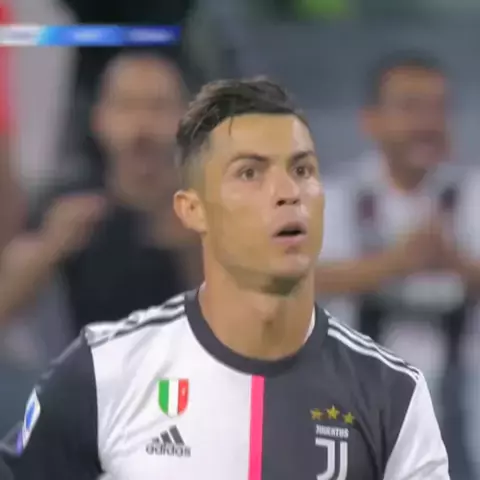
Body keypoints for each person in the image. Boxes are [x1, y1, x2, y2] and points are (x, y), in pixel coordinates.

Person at [0, 77, 449, 479]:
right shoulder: (99, 369)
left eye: (301, 170)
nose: (284, 193)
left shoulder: (392, 393)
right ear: (194, 208)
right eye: (250, 173)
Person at [316, 51, 478, 477]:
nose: (427, 123)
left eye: (438, 108)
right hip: (353, 410)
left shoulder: (474, 194)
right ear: (371, 120)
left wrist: (455, 263)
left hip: (461, 410)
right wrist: (395, 263)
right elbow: (296, 280)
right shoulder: (333, 197)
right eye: (410, 107)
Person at [0, 51, 201, 333]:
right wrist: (51, 246)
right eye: (126, 107)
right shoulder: (69, 202)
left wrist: (194, 249)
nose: (142, 125)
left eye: (158, 108)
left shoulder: (210, 205)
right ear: (99, 118)